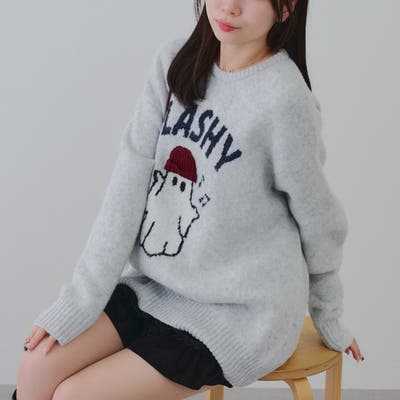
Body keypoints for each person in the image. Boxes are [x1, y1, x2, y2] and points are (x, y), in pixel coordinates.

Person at [14, 0, 364, 399]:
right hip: (157, 288)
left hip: (241, 315)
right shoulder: (174, 63)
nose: (229, 7)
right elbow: (124, 192)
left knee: (75, 395)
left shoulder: (284, 99)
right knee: (35, 367)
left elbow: (318, 218)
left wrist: (328, 313)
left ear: (286, 9)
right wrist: (80, 301)